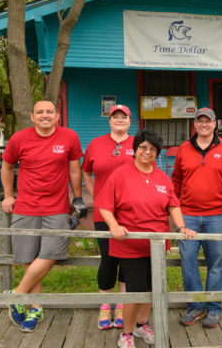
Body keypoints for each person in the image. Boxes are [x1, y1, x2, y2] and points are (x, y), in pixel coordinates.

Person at [99, 129, 196, 348]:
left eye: (152, 149)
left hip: (157, 245)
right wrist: (114, 225)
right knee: (136, 289)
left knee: (153, 287)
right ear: (135, 149)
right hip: (130, 244)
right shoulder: (120, 174)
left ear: (157, 153)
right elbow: (104, 205)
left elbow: (173, 204)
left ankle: (141, 325)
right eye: (143, 147)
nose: (147, 152)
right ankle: (126, 333)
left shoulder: (162, 177)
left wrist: (181, 227)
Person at [1, 100, 87, 333]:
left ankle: (16, 295)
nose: (45, 115)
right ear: (32, 117)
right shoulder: (19, 138)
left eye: (49, 111)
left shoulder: (69, 137)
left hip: (57, 208)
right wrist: (8, 196)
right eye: (40, 112)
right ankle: (35, 307)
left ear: (57, 116)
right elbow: (7, 167)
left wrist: (77, 199)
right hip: (25, 207)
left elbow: (74, 169)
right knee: (30, 258)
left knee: (49, 255)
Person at [171, 107, 222, 328]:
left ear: (214, 124)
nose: (203, 124)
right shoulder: (183, 149)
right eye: (199, 121)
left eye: (207, 121)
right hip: (188, 215)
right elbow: (175, 182)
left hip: (218, 215)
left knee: (216, 263)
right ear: (194, 124)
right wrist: (175, 210)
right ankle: (195, 306)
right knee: (188, 261)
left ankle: (213, 307)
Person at [82, 104, 136, 330]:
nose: (120, 120)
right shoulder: (96, 144)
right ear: (109, 120)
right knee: (108, 256)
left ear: (130, 121)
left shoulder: (137, 143)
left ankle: (122, 305)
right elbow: (86, 170)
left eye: (124, 117)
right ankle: (106, 304)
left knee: (127, 257)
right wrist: (96, 194)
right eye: (116, 116)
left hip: (132, 211)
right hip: (103, 211)